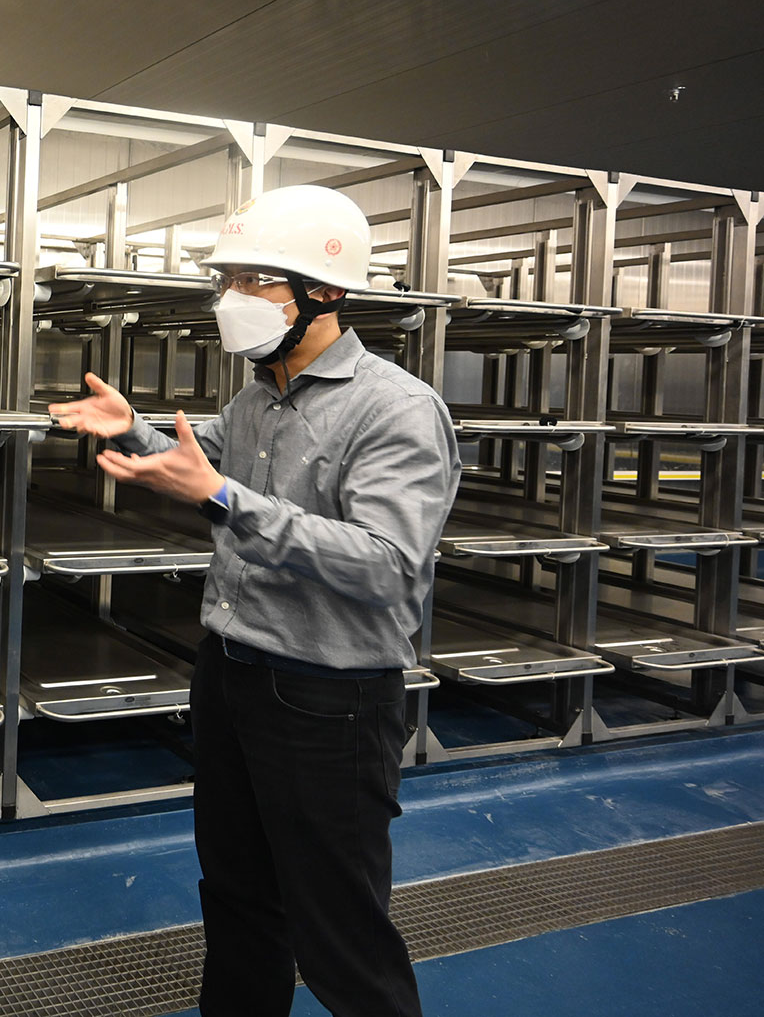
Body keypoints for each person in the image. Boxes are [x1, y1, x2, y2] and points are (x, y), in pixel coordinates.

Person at [49, 184, 460, 1017]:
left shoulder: (396, 409)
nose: (231, 298)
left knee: (340, 928)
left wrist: (224, 498)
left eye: (254, 280)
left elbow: (387, 565)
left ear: (325, 289)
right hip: (232, 675)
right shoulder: (256, 397)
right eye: (227, 279)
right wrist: (132, 430)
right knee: (237, 896)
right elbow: (207, 471)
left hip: (328, 701)